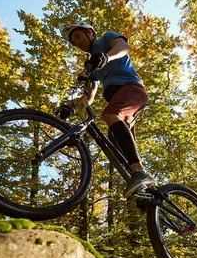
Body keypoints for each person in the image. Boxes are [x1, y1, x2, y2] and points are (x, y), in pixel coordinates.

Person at [61, 22, 155, 198]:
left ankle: (140, 173)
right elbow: (89, 97)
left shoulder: (106, 39)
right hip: (118, 101)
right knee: (118, 149)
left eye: (78, 37)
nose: (77, 43)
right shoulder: (90, 64)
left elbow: (123, 47)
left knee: (110, 115)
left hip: (132, 89)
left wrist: (106, 56)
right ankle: (149, 195)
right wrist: (73, 108)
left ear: (89, 33)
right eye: (73, 42)